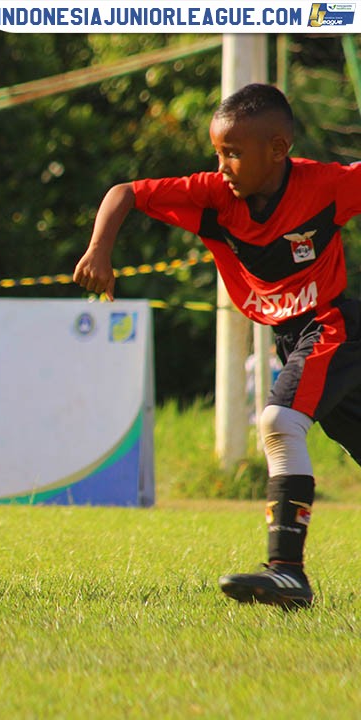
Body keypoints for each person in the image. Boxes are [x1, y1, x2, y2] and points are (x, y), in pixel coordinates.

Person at [73, 82, 361, 609]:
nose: (222, 164)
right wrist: (99, 249)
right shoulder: (212, 196)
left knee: (279, 423)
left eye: (232, 152)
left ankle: (286, 572)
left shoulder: (327, 186)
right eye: (217, 152)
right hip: (293, 336)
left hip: (333, 324)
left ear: (277, 150)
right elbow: (126, 193)